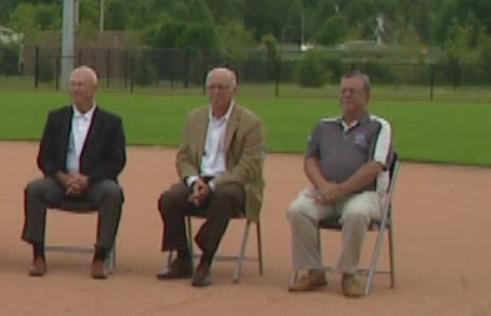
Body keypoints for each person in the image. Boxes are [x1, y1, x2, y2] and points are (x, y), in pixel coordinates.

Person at [286, 72, 392, 298]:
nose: (346, 95)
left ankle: (348, 274)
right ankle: (314, 272)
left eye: (352, 91)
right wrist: (324, 187)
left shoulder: (379, 127)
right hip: (324, 193)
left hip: (364, 194)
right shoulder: (324, 126)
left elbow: (375, 166)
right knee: (298, 210)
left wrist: (341, 189)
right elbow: (310, 160)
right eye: (343, 91)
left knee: (356, 214)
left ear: (367, 96)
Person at [156, 67, 265, 288]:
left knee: (222, 197)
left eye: (222, 88)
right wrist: (194, 181)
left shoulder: (251, 123)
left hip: (233, 183)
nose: (217, 92)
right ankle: (183, 257)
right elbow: (183, 157)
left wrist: (213, 186)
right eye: (212, 87)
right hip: (199, 178)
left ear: (234, 90)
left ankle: (205, 262)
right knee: (169, 199)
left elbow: (248, 167)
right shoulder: (194, 118)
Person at [22, 66, 126, 279]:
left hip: (95, 183)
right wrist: (63, 178)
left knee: (113, 193)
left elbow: (116, 161)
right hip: (61, 182)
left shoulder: (111, 122)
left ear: (94, 88)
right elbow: (44, 158)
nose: (76, 89)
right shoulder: (56, 118)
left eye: (81, 85)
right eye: (73, 84)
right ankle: (38, 254)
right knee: (35, 189)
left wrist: (87, 179)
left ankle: (100, 256)